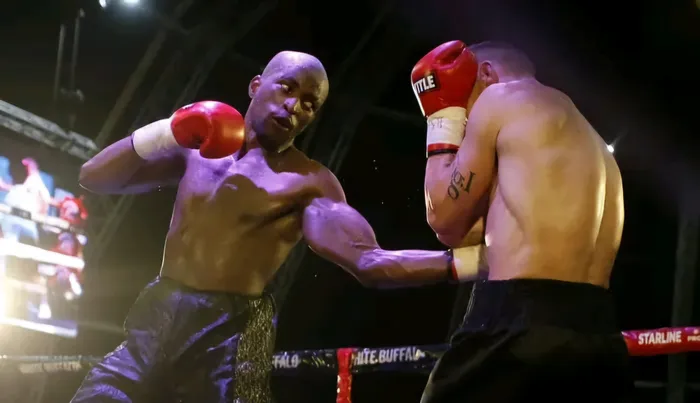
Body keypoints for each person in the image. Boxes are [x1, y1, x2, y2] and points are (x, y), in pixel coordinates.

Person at [72, 50, 480, 403]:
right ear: (256, 85)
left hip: (228, 336)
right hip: (156, 318)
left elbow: (370, 262)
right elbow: (94, 177)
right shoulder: (197, 150)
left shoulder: (309, 183)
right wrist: (166, 130)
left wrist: (480, 260)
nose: (294, 107)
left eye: (309, 104)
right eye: (287, 88)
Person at [411, 41, 632, 402]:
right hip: (599, 337)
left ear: (485, 73)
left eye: (465, 106)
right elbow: (480, 230)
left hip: (519, 328)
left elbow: (442, 219)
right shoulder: (588, 138)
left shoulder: (498, 99)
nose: (466, 123)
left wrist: (442, 118)